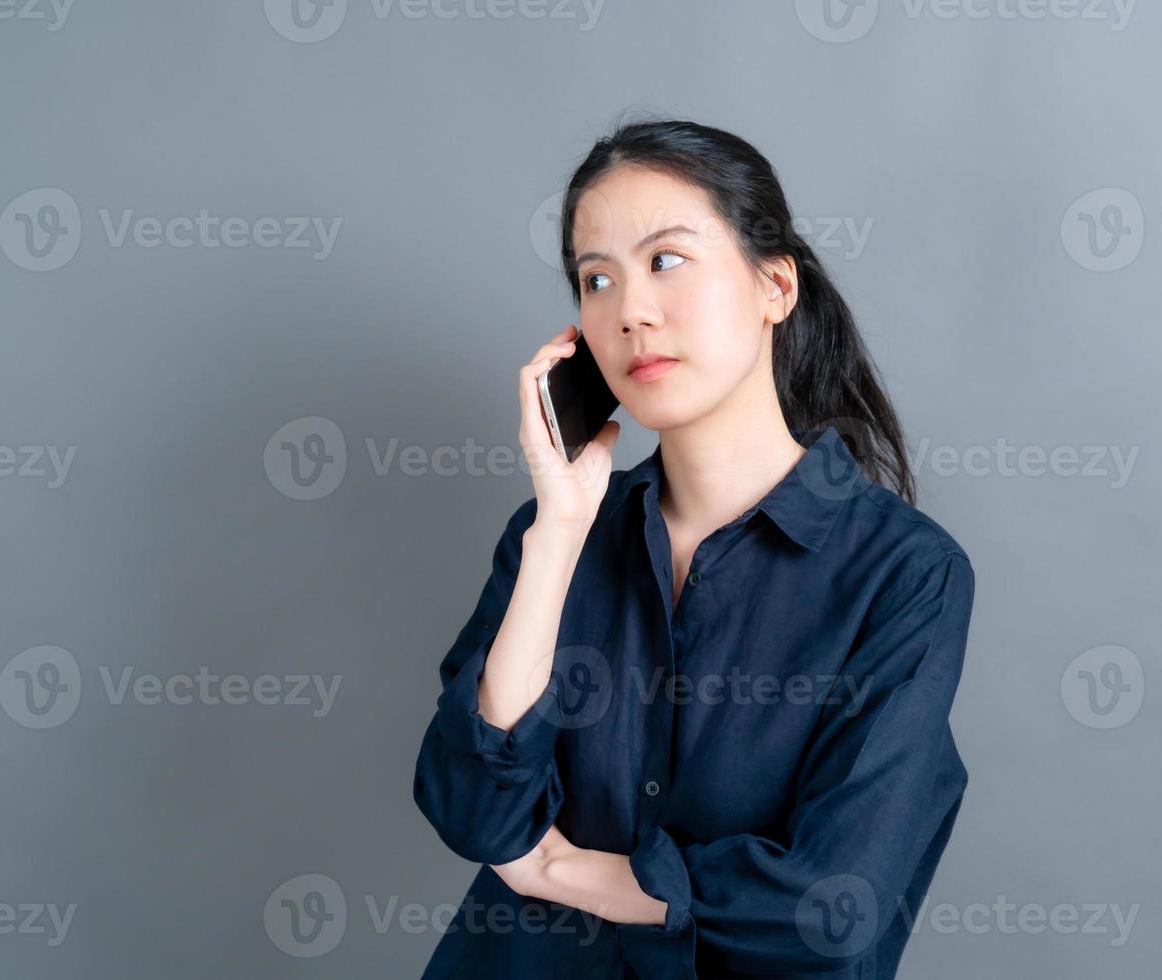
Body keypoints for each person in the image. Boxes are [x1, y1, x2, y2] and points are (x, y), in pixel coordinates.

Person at [412, 116, 976, 979]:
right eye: (594, 279)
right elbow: (473, 808)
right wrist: (559, 529)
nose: (629, 310)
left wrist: (569, 870)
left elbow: (831, 906)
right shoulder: (557, 541)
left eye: (665, 260)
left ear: (774, 287)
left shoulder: (902, 574)